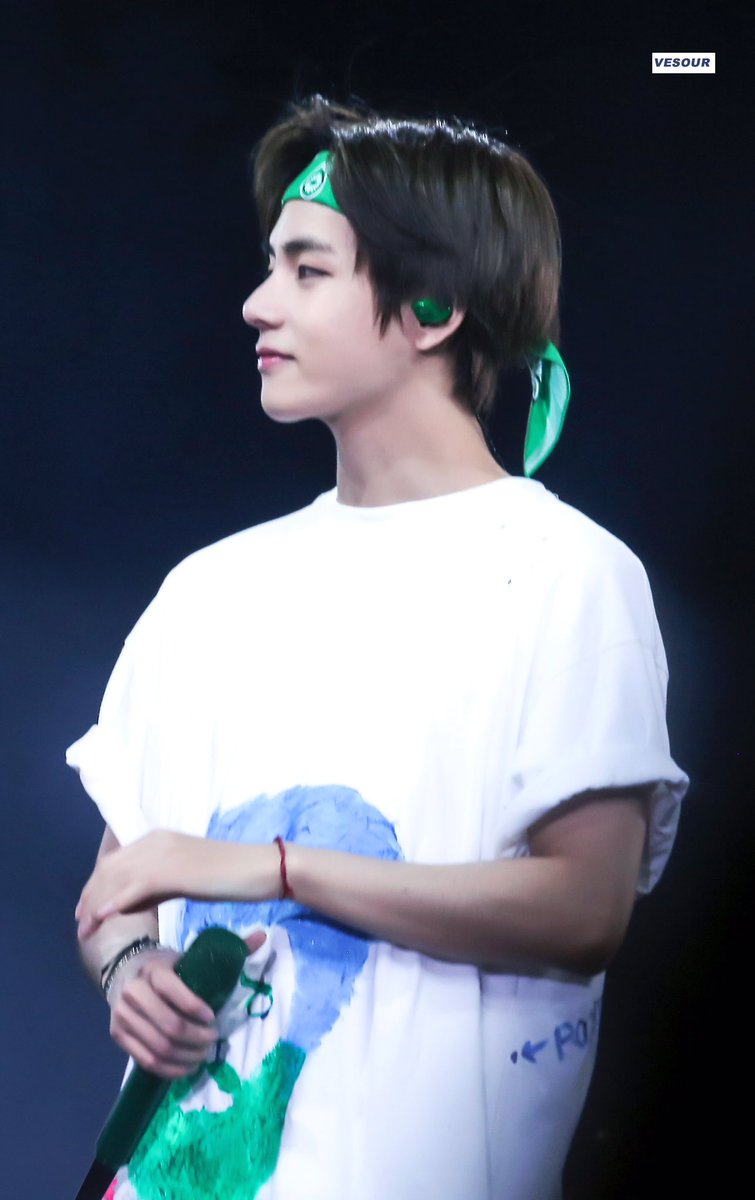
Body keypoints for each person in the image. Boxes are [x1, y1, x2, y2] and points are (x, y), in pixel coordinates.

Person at [69, 95, 688, 1200]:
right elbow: (120, 885)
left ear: (433, 307)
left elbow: (582, 913)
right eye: (270, 266)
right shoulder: (206, 590)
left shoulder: (566, 576)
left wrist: (273, 870)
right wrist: (131, 971)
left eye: (307, 271)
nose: (257, 303)